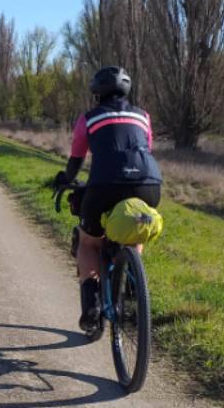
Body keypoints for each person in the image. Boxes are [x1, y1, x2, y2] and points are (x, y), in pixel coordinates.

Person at [54, 66, 162, 335]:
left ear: (96, 93)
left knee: (89, 243)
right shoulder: (143, 117)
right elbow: (145, 149)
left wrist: (65, 178)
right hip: (148, 183)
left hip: (105, 184)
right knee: (133, 231)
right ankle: (131, 283)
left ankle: (92, 307)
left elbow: (77, 159)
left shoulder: (88, 119)